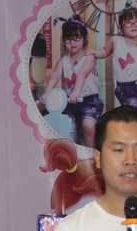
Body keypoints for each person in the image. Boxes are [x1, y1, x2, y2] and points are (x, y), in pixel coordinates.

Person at [87, 0, 137, 118]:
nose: (133, 25)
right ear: (120, 27)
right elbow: (105, 51)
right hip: (126, 88)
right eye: (128, 22)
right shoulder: (116, 41)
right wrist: (98, 53)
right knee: (134, 114)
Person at [40, 14, 104, 148]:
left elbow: (82, 74)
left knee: (88, 125)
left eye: (76, 38)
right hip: (69, 102)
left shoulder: (89, 58)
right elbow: (54, 76)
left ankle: (90, 154)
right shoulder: (63, 61)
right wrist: (47, 93)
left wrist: (76, 92)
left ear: (84, 38)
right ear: (63, 40)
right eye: (68, 39)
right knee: (60, 123)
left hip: (89, 101)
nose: (72, 42)